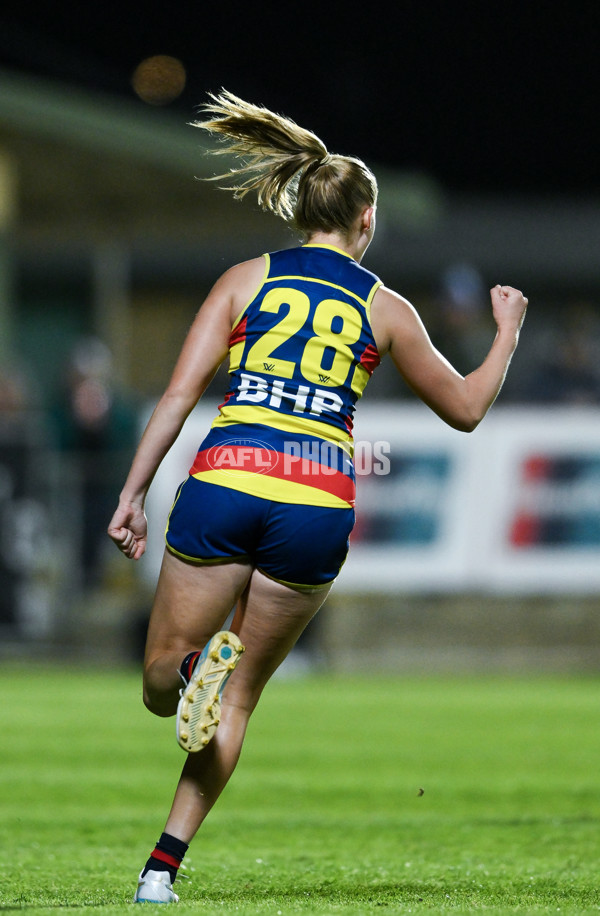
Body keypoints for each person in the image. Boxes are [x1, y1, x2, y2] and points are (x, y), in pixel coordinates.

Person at [107, 90, 527, 904]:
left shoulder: (244, 281)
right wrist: (505, 329)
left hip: (226, 479)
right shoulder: (386, 307)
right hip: (315, 501)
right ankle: (160, 871)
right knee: (239, 702)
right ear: (365, 221)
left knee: (163, 683)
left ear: (301, 208)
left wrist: (131, 494)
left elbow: (175, 398)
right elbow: (468, 410)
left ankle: (194, 668)